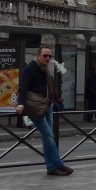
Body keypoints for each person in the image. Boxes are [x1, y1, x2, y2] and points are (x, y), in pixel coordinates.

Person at [15, 47, 73, 175]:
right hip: (36, 108)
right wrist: (21, 104)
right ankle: (59, 164)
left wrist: (56, 101)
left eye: (49, 56)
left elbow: (50, 87)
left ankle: (51, 168)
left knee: (48, 138)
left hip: (48, 106)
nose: (47, 58)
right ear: (38, 56)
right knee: (49, 136)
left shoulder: (45, 69)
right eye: (45, 56)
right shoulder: (30, 69)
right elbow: (23, 88)